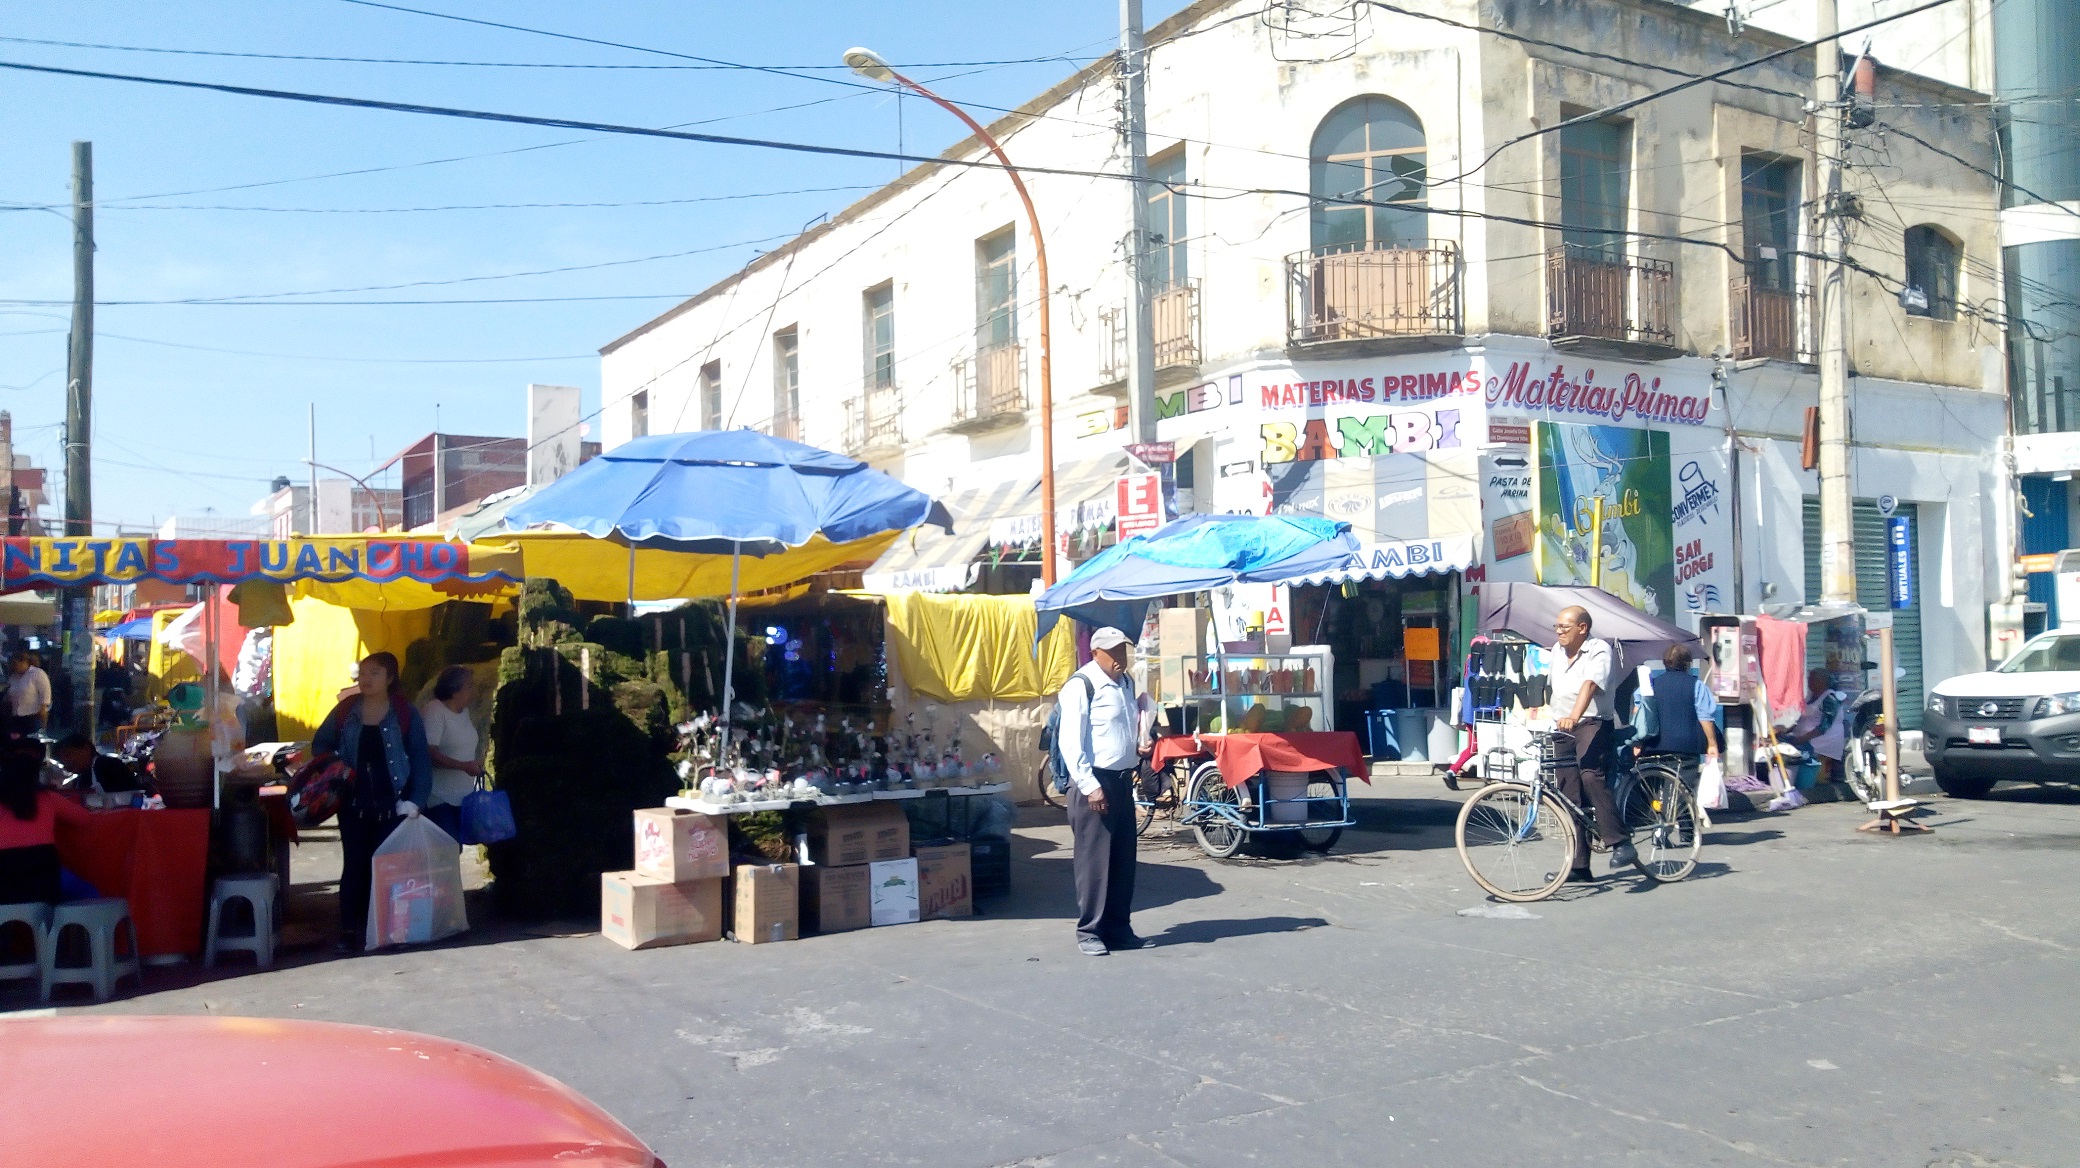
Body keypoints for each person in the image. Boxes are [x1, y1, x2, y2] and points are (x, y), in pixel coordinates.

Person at [311, 651, 431, 954]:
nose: (366, 679)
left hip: (394, 803)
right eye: (363, 673)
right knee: (354, 867)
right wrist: (336, 766)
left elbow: (420, 757)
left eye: (375, 673)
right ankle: (349, 930)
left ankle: (389, 928)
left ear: (390, 678)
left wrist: (416, 800)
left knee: (390, 868)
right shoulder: (346, 710)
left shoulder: (405, 713)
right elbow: (320, 744)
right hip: (352, 804)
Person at [1057, 627, 1150, 956]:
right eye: (1113, 652)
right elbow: (1070, 741)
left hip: (1123, 780)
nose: (1120, 658)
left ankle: (1118, 926)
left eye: (1123, 651)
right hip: (1095, 783)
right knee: (1095, 861)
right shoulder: (1081, 686)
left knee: (1123, 859)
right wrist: (1090, 785)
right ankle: (1090, 930)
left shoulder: (1126, 684)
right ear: (1095, 653)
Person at [1550, 606, 1636, 878]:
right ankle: (1579, 865)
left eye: (1565, 627)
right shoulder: (1555, 651)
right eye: (1557, 627)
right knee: (1568, 792)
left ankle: (1621, 842)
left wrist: (1574, 716)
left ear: (1582, 628)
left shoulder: (1598, 649)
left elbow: (1590, 684)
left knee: (1590, 776)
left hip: (1591, 722)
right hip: (1562, 726)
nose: (1560, 632)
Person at [0, 746, 91, 904]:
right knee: (90, 892)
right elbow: (84, 819)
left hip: (4, 872)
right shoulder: (48, 798)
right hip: (43, 870)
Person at [419, 666, 482, 844]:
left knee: (456, 849)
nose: (473, 691)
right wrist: (463, 766)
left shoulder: (465, 712)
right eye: (469, 686)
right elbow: (430, 753)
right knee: (446, 848)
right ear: (454, 692)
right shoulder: (435, 711)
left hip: (463, 796)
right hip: (439, 797)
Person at [1641, 645, 1720, 766]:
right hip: (1686, 749)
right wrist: (1712, 744)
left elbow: (1640, 712)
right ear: (1688, 663)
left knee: (1654, 782)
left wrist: (1638, 742)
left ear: (1665, 662)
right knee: (1683, 783)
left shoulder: (1651, 685)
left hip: (1654, 746)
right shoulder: (1697, 685)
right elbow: (1705, 718)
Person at [1784, 668, 1849, 782]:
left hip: (1823, 739)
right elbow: (1800, 720)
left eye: (1812, 679)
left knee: (1795, 748)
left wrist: (1802, 739)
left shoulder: (1830, 698)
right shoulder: (1809, 697)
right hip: (1803, 736)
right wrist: (1785, 731)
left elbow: (1824, 726)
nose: (1809, 682)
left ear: (1822, 681)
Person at [6, 651, 51, 737]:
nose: (15, 667)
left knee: (31, 743)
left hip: (33, 716)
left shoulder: (37, 673)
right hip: (16, 716)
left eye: (16, 664)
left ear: (24, 662)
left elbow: (45, 694)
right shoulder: (13, 677)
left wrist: (43, 709)